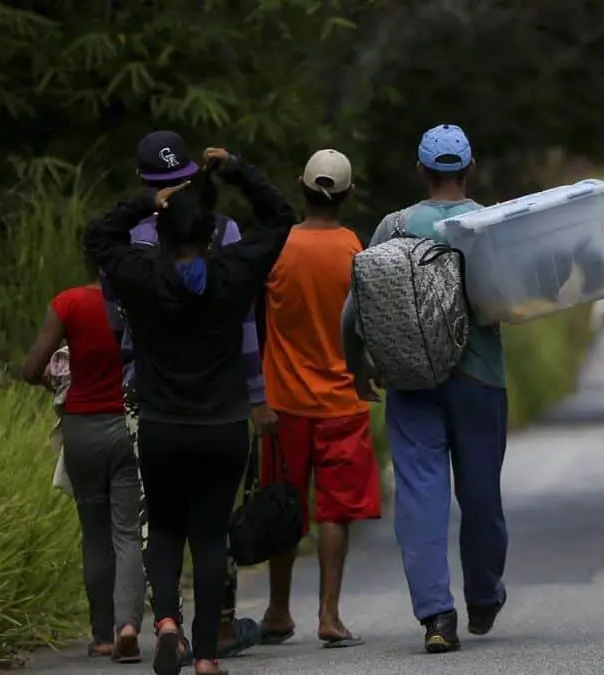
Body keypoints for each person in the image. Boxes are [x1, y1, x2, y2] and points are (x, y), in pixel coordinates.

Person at [85, 148, 295, 675]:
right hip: (223, 427)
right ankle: (204, 655)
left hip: (162, 426)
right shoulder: (234, 271)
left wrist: (147, 202)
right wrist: (238, 170)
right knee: (208, 537)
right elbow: (280, 216)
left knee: (165, 531)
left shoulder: (141, 276)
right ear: (210, 233)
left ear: (162, 231)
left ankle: (166, 622)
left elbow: (98, 237)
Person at [341, 124, 509, 654]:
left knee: (419, 494)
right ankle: (483, 595)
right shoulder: (489, 223)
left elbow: (355, 306)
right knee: (480, 493)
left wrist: (356, 364)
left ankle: (437, 616)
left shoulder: (393, 227)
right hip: (480, 380)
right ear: (470, 168)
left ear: (421, 171)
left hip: (411, 379)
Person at [256, 149, 381, 649]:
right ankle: (329, 616)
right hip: (343, 402)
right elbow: (365, 324)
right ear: (348, 194)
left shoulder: (277, 248)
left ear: (300, 186)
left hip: (282, 402)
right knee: (335, 512)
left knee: (283, 506)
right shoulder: (354, 250)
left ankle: (277, 611)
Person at [22, 255, 146, 664]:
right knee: (127, 533)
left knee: (95, 535)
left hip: (82, 430)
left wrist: (59, 385)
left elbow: (31, 368)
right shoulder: (137, 302)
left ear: (87, 262)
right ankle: (128, 626)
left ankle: (103, 637)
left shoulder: (69, 304)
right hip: (127, 426)